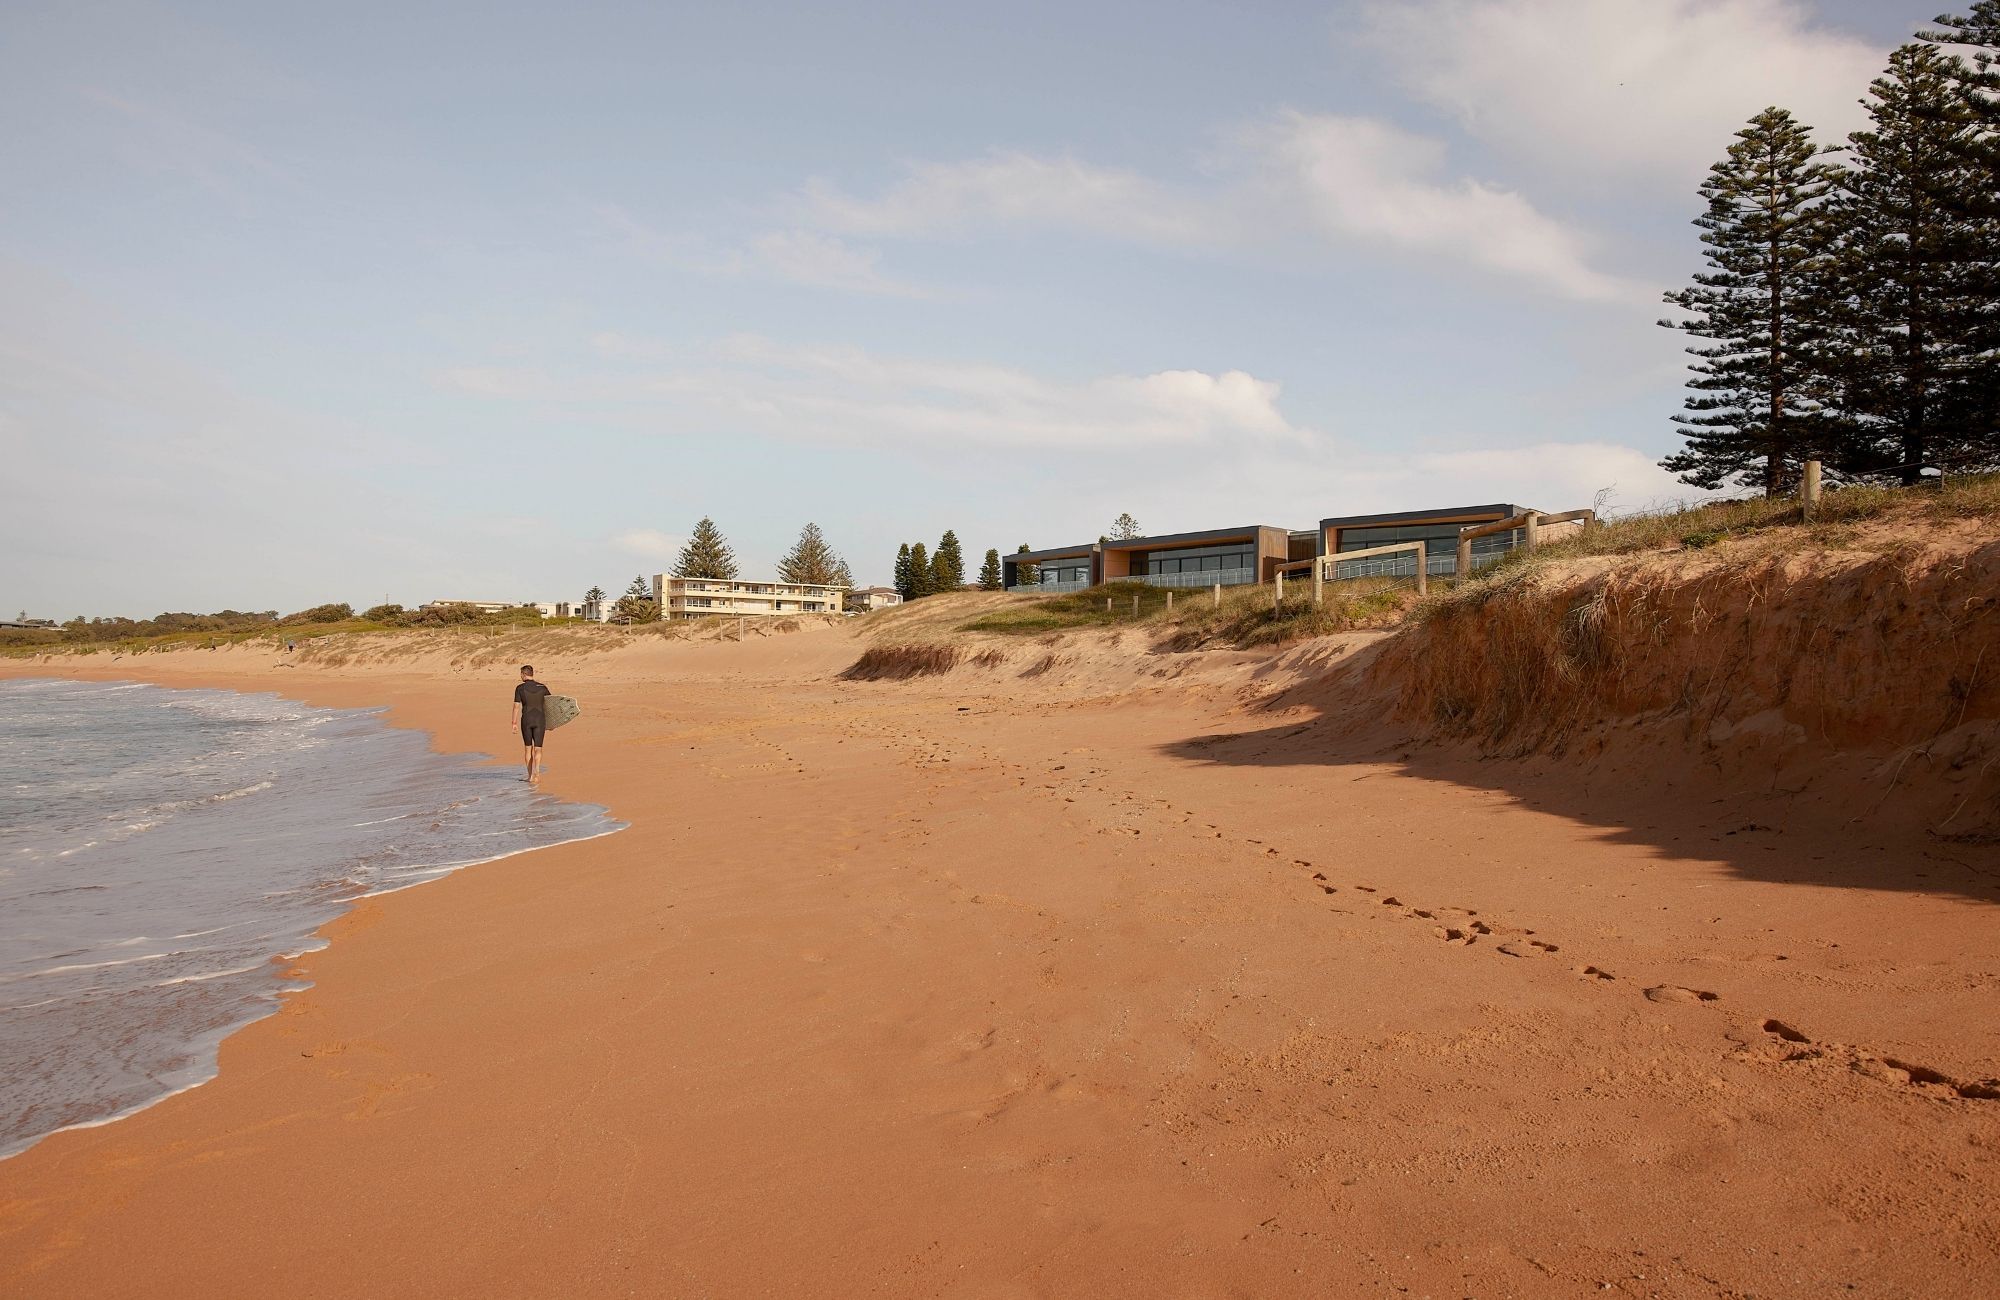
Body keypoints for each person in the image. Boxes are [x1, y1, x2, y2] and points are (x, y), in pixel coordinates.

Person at [511, 664, 552, 784]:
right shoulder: (542, 687)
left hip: (527, 721)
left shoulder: (520, 688)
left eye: (521, 674)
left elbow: (516, 706)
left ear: (524, 674)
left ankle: (530, 776)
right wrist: (552, 723)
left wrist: (514, 723)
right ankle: (537, 774)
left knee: (528, 749)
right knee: (538, 748)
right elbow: (551, 705)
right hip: (540, 720)